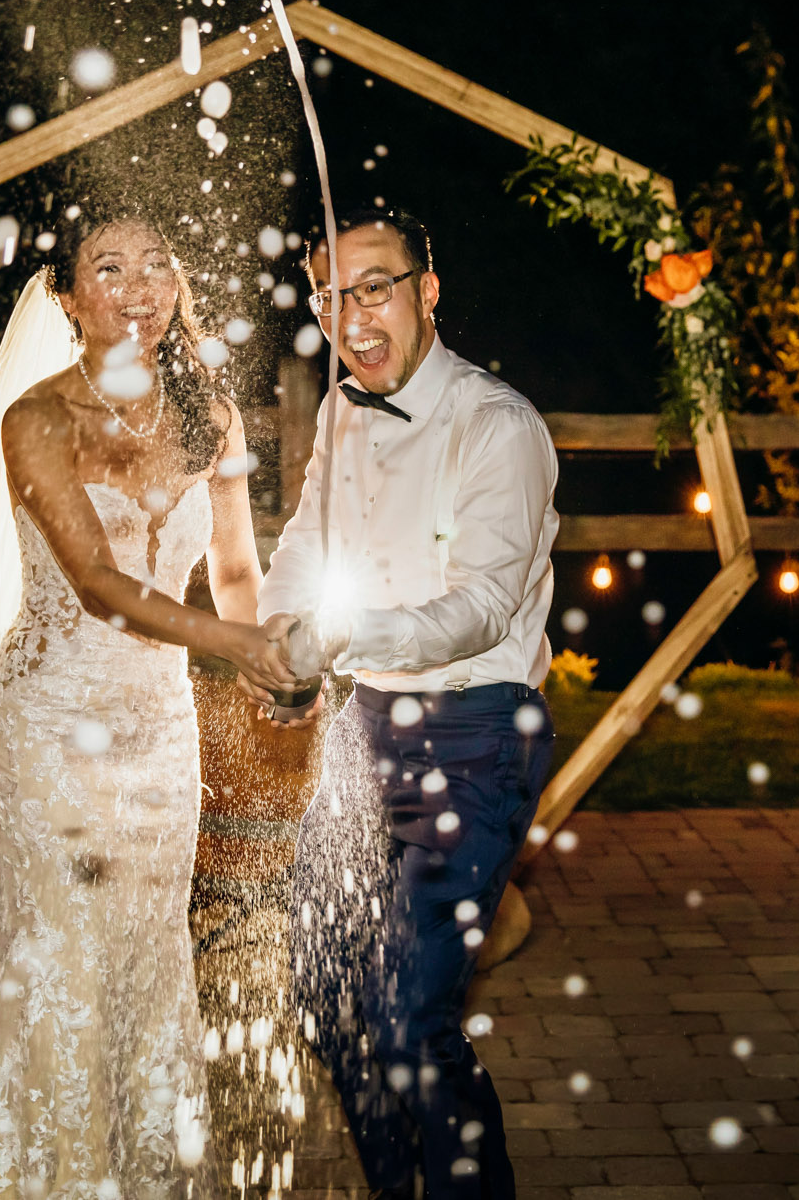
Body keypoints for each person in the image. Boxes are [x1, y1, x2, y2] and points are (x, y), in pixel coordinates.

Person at [0, 204, 295, 1198]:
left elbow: (233, 570)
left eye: (155, 266)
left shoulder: (210, 414)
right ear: (64, 299)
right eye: (109, 268)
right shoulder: (35, 420)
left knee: (144, 955)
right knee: (60, 957)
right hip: (48, 730)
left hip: (160, 737)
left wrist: (280, 659)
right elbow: (97, 581)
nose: (137, 289)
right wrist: (236, 646)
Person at [249, 206, 561, 1198]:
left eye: (374, 285)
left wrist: (341, 636)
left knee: (405, 1014)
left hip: (474, 737)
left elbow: (477, 608)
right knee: (322, 988)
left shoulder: (495, 425)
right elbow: (303, 534)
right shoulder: (343, 409)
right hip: (363, 730)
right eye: (331, 293)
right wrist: (279, 629)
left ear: (427, 290)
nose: (352, 312)